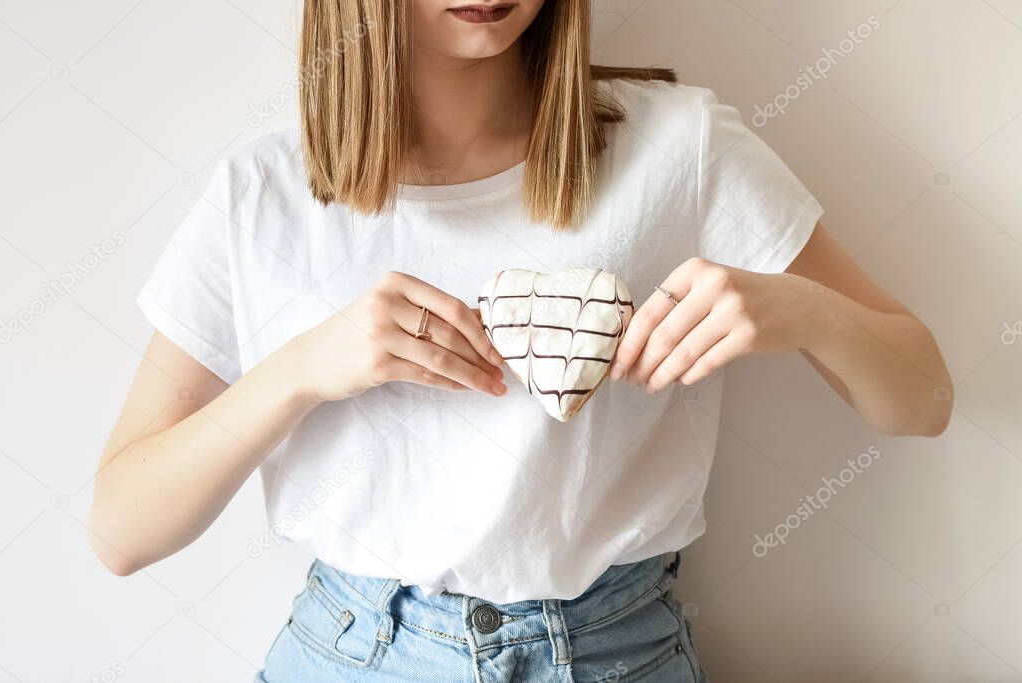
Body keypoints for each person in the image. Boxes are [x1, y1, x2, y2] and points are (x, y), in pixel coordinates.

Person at [88, 1, 952, 681]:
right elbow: (120, 531)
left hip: (619, 651)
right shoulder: (262, 191)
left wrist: (801, 309)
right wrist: (301, 371)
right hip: (353, 657)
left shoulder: (680, 146)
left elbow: (925, 398)